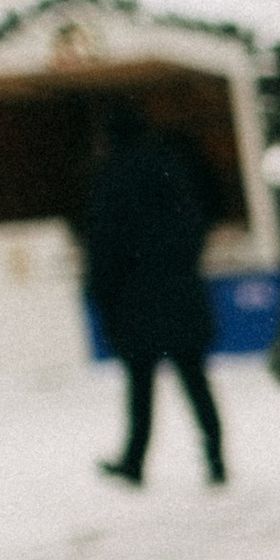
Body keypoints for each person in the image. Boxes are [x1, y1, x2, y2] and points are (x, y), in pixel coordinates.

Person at [84, 103, 226, 487]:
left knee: (140, 386)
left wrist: (102, 292)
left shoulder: (112, 178)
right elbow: (195, 223)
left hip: (135, 300)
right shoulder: (169, 168)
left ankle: (134, 461)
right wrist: (178, 266)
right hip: (177, 293)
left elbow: (104, 245)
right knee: (195, 381)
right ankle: (215, 459)